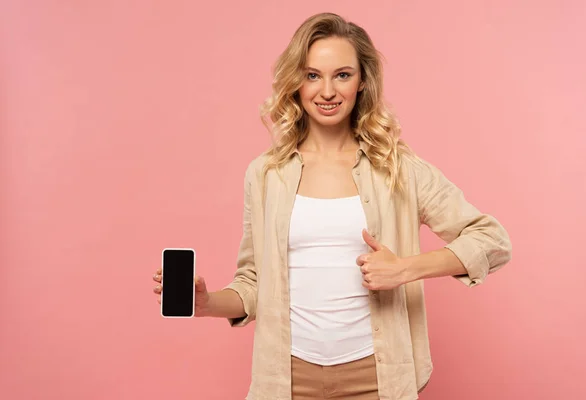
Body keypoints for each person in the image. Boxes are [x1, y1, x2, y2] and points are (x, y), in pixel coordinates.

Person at [152, 12, 512, 400]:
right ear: (296, 83)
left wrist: (405, 269)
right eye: (312, 75)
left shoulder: (398, 168)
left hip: (376, 379)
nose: (327, 91)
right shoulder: (266, 174)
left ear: (361, 83)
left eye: (342, 75)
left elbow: (491, 241)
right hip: (286, 381)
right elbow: (255, 283)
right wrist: (207, 304)